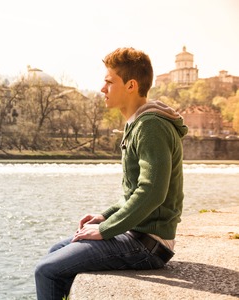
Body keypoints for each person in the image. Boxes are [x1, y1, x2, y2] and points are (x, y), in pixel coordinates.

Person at [34, 47, 188, 300]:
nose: (102, 88)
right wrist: (104, 216)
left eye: (108, 81)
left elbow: (152, 191)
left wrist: (106, 229)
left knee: (47, 271)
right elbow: (133, 192)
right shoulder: (138, 123)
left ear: (131, 85)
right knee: (55, 251)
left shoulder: (151, 126)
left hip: (148, 244)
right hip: (136, 234)